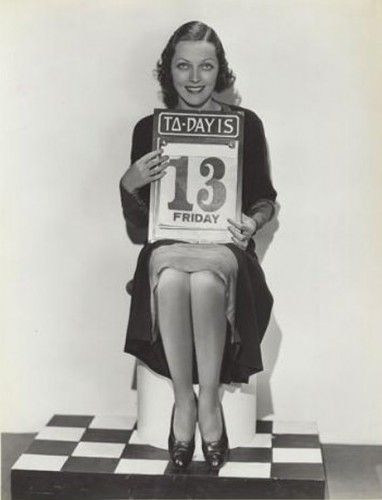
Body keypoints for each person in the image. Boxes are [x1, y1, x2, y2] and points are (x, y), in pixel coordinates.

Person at [119, 21, 277, 471]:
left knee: (205, 281)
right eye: (183, 66)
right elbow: (140, 226)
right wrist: (129, 184)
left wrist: (253, 220)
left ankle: (206, 401)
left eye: (205, 67)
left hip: (224, 247)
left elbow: (265, 197)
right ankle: (183, 403)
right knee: (170, 280)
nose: (193, 77)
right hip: (169, 243)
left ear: (219, 71)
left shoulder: (246, 124)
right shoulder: (149, 128)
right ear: (168, 71)